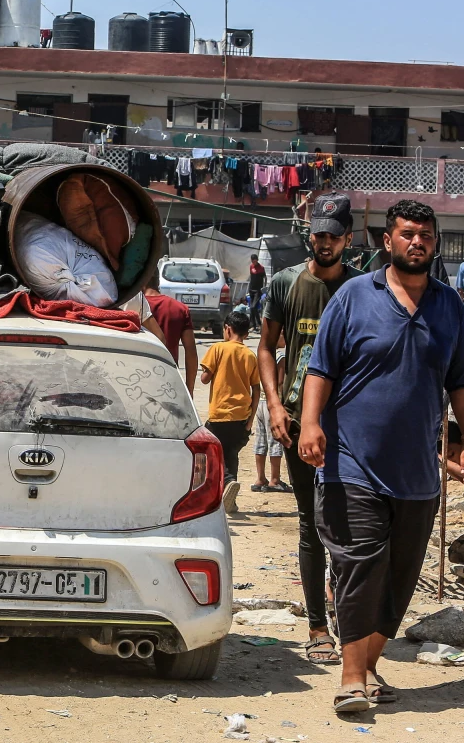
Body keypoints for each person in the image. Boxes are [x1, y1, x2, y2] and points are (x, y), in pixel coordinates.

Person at [299, 199, 464, 713]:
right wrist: (311, 422)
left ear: (435, 242)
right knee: (362, 564)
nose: (417, 241)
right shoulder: (355, 297)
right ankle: (351, 678)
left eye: (425, 234)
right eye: (407, 233)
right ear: (387, 241)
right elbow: (321, 369)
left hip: (419, 472)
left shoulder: (449, 307)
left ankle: (370, 662)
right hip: (351, 465)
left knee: (400, 578)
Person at [258, 191, 364, 668]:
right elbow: (266, 348)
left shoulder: (363, 289)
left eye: (332, 236)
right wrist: (275, 406)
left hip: (352, 427)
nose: (323, 242)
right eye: (318, 234)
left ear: (348, 240)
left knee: (350, 526)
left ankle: (349, 616)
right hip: (299, 422)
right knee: (309, 525)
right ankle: (318, 625)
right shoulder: (284, 283)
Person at [199, 310, 260, 514]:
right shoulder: (250, 355)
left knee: (215, 454)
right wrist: (251, 420)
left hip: (219, 414)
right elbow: (256, 388)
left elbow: (204, 379)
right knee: (231, 453)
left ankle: (226, 484)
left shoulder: (217, 348)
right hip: (242, 416)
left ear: (228, 329)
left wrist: (209, 370)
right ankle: (230, 500)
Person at [144, 272, 198, 396]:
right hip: (169, 378)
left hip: (138, 377)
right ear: (158, 281)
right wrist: (189, 389)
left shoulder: (132, 307)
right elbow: (191, 351)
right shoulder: (180, 308)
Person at [252, 349, 289, 492]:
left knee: (261, 441)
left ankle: (260, 478)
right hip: (273, 404)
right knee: (275, 441)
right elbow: (280, 381)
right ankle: (275, 479)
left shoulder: (263, 354)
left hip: (261, 402)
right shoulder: (281, 356)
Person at [248, 253, 267, 332]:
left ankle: (258, 324)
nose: (254, 262)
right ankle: (254, 325)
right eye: (253, 261)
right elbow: (251, 277)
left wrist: (264, 288)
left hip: (258, 290)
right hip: (251, 289)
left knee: (253, 307)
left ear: (257, 260)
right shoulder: (251, 266)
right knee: (252, 308)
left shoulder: (261, 268)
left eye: (255, 260)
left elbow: (265, 277)